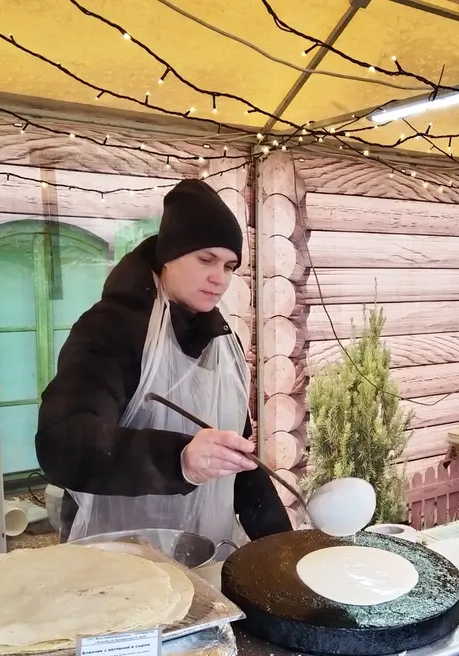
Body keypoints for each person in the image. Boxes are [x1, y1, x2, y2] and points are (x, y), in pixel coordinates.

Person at [36, 179, 291, 544]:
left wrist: (281, 543)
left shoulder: (221, 341)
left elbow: (238, 454)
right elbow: (62, 443)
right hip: (117, 554)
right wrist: (179, 460)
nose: (219, 278)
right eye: (206, 259)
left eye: (230, 266)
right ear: (170, 255)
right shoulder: (109, 329)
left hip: (202, 549)